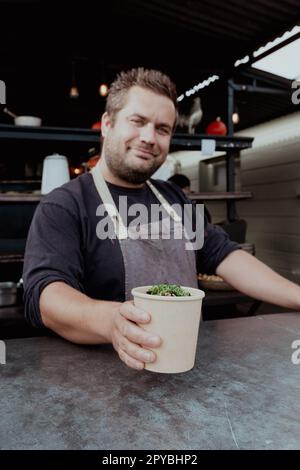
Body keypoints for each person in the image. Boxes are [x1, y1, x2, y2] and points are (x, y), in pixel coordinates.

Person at [23, 68, 300, 371]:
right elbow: (46, 295)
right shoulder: (65, 205)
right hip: (104, 384)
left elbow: (225, 256)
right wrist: (111, 322)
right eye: (137, 121)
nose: (149, 138)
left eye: (162, 129)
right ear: (107, 124)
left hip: (184, 370)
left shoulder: (175, 199)